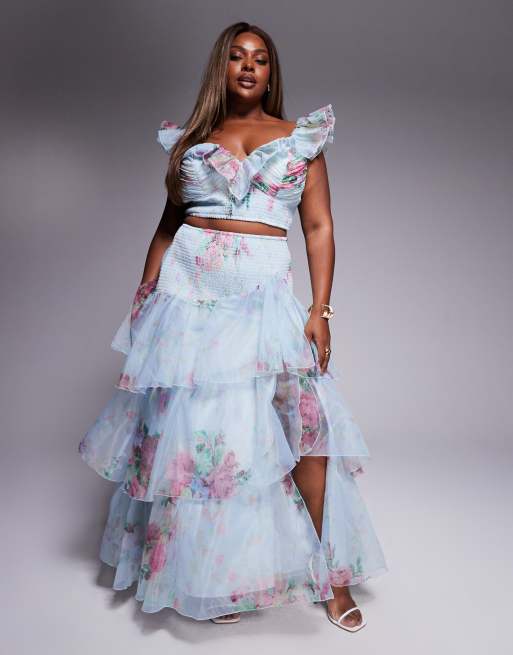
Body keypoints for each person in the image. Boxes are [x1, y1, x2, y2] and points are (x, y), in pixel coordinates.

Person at [78, 21, 388, 631]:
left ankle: (331, 579)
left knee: (308, 433)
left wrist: (320, 311)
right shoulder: (192, 141)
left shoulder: (300, 139)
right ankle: (219, 579)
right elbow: (168, 227)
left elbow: (318, 227)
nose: (249, 66)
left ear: (271, 73)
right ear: (222, 67)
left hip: (262, 294)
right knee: (204, 439)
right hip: (189, 295)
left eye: (261, 59)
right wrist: (145, 296)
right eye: (238, 56)